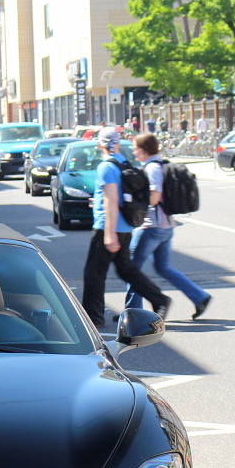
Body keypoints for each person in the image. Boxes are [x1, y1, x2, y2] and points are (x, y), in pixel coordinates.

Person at [81, 126, 172, 329]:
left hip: (109, 226)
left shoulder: (106, 167)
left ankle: (93, 318)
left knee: (94, 273)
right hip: (126, 226)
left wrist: (109, 234)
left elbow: (111, 200)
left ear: (100, 145)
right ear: (117, 144)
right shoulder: (123, 162)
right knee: (126, 270)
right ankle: (159, 299)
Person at [124, 133, 212, 321]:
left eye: (136, 148)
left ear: (144, 149)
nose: (133, 151)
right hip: (165, 226)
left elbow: (155, 197)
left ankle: (133, 313)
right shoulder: (158, 165)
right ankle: (200, 297)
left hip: (153, 227)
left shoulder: (153, 168)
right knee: (163, 268)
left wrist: (133, 199)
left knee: (132, 268)